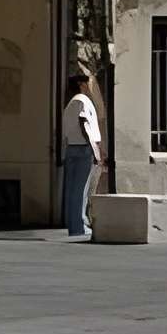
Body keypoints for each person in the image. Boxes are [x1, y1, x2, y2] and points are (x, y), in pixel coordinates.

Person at [62, 69, 102, 237]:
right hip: (83, 148)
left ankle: (74, 225)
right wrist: (95, 149)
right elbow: (83, 122)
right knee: (82, 190)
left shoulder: (70, 103)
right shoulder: (83, 100)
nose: (90, 87)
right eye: (88, 83)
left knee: (73, 190)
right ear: (81, 84)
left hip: (71, 147)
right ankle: (79, 225)